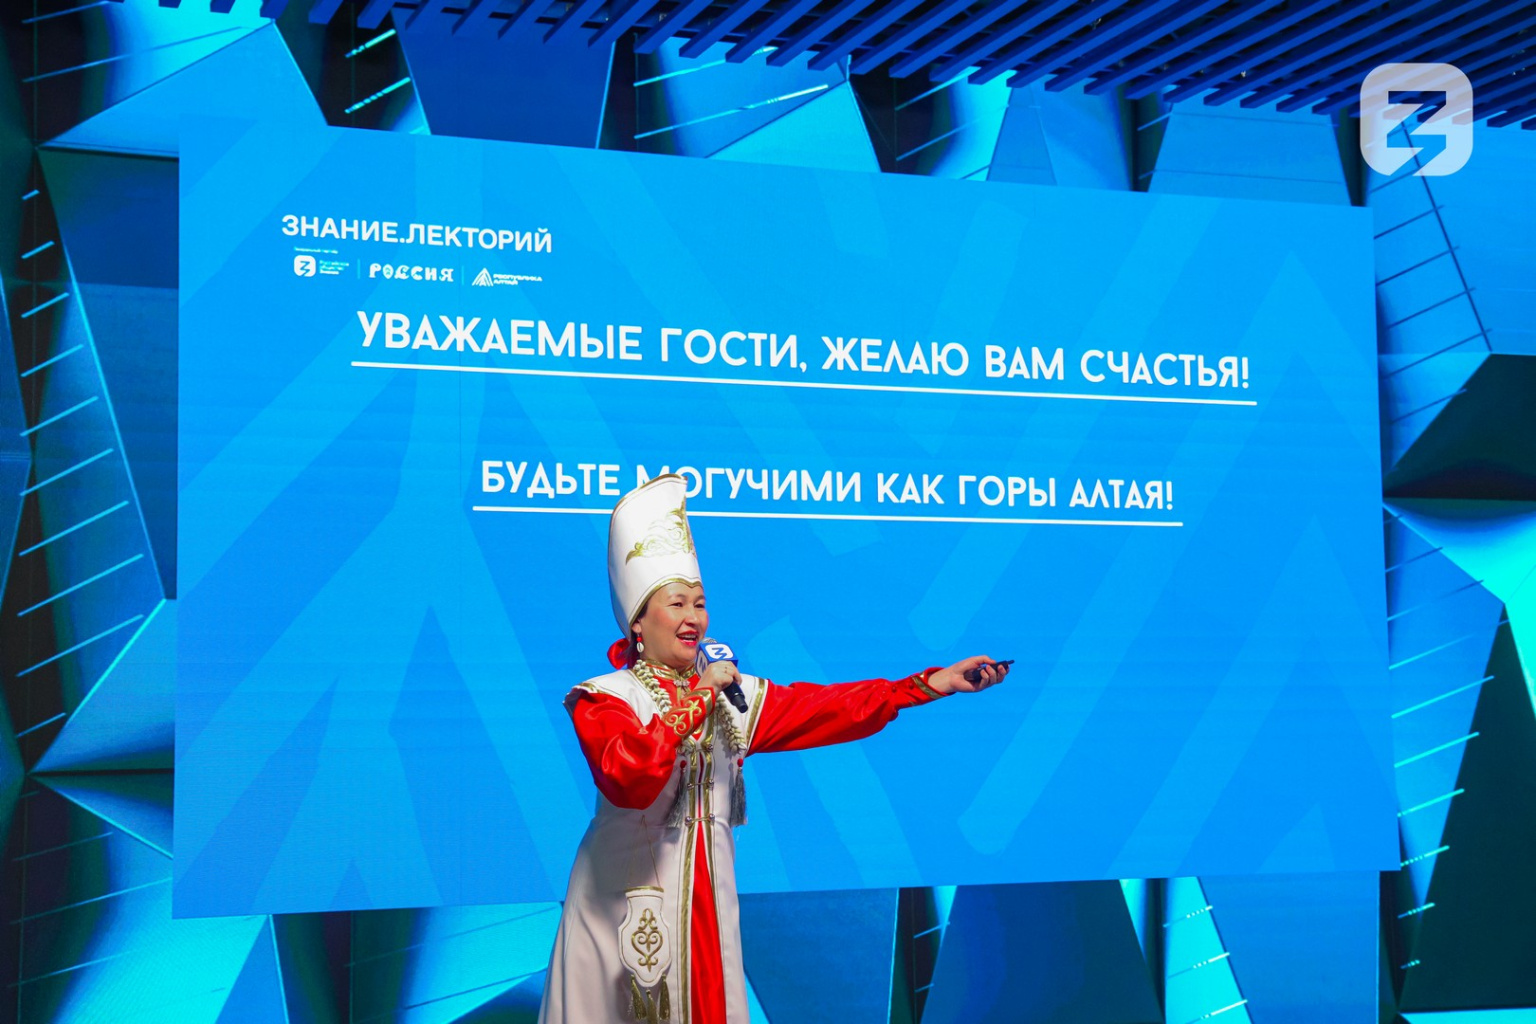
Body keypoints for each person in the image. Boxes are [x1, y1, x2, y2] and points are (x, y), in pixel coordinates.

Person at [538, 474, 1007, 1024]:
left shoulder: (733, 694)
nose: (693, 618)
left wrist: (929, 684)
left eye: (699, 604)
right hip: (626, 901)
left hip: (708, 900)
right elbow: (630, 776)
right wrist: (699, 697)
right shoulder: (605, 698)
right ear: (638, 621)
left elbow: (828, 707)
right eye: (676, 604)